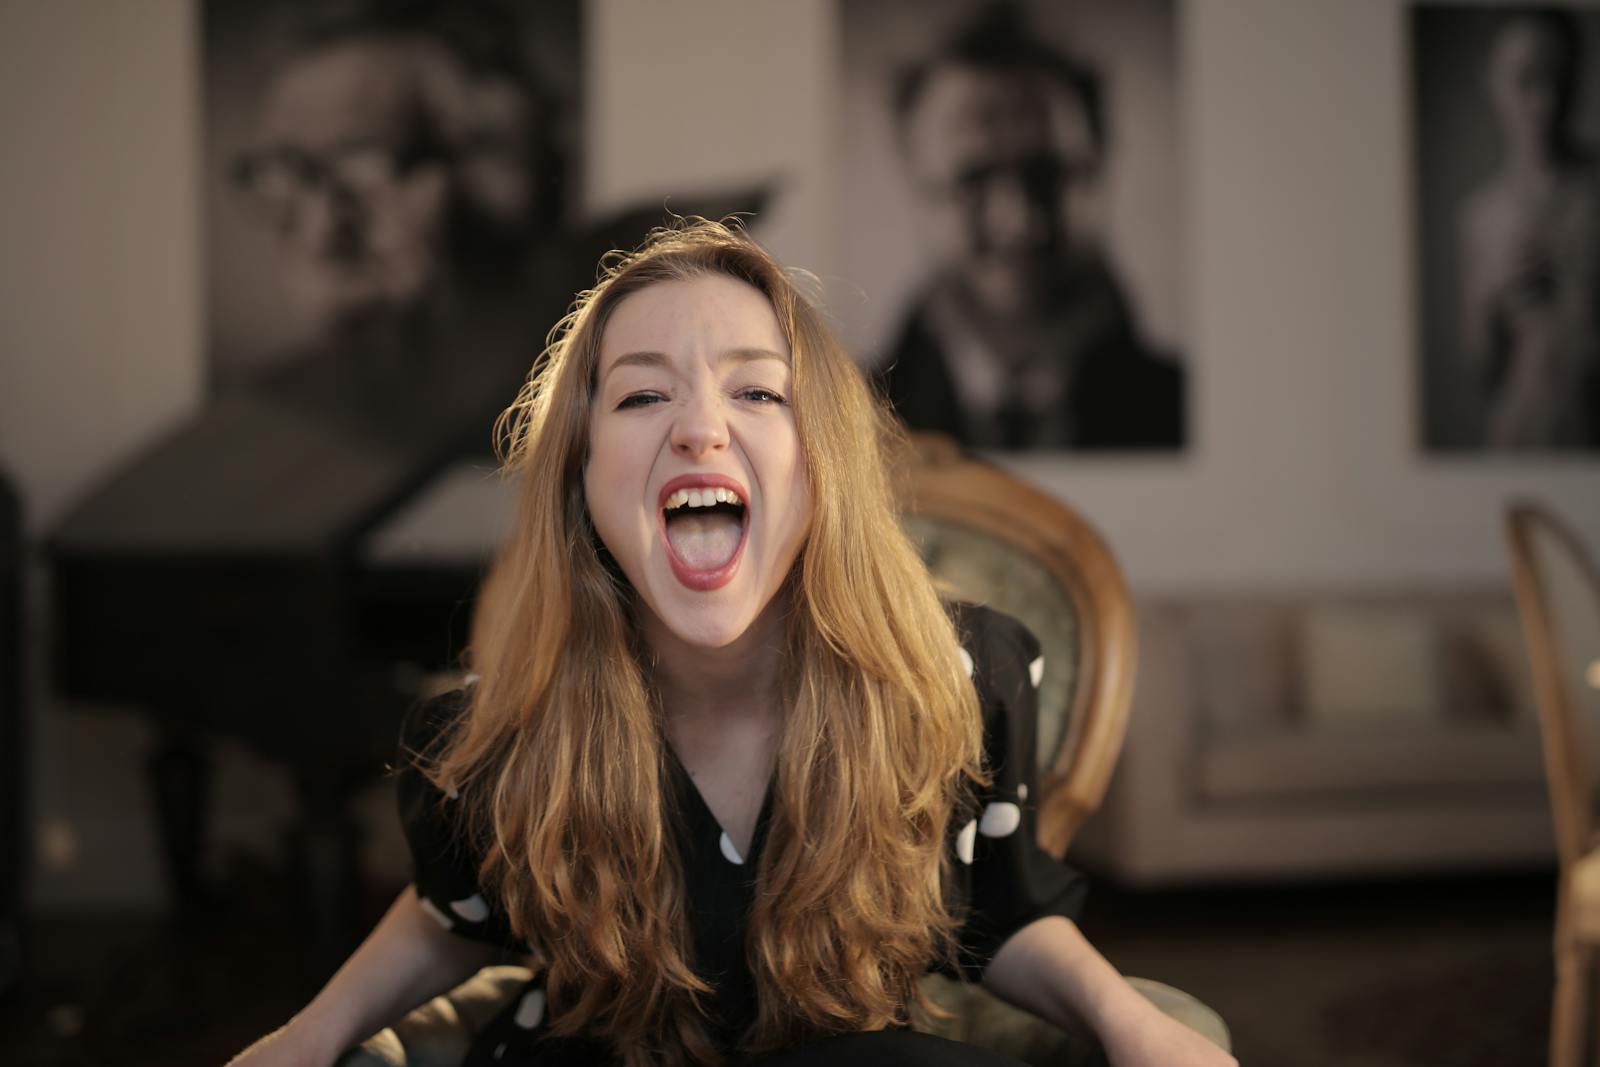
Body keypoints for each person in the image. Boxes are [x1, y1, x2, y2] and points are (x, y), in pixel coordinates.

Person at [227, 220, 1232, 1066]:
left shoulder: (962, 680)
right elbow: (449, 912)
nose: (701, 428)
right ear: (583, 479)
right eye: (640, 394)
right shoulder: (502, 721)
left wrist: (1131, 1024)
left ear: (818, 466)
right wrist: (309, 1034)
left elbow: (1005, 913)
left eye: (757, 391)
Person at [879, 3, 1185, 451]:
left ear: (1101, 173)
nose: (1018, 221)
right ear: (913, 185)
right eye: (974, 180)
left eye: (1048, 175)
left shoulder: (1178, 409)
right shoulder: (845, 421)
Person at [1458, 9, 1600, 449]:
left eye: (1559, 78)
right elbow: (1480, 372)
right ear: (1492, 82)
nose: (1545, 101)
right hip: (1514, 447)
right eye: (1525, 80)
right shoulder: (1479, 214)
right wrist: (1489, 297)